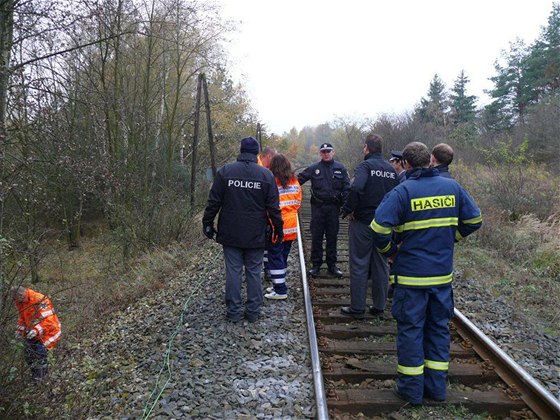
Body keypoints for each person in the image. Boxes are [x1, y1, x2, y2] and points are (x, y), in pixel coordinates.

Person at [370, 141, 482, 405]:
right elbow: (474, 220)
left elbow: (378, 228)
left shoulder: (403, 191)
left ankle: (411, 391)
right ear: (430, 161)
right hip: (441, 278)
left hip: (410, 279)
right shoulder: (452, 188)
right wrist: (450, 238)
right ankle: (437, 389)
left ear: (406, 164)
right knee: (438, 330)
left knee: (411, 331)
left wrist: (391, 252)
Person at [202, 137, 283, 323]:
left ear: (240, 150)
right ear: (256, 153)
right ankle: (253, 311)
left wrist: (207, 223)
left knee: (233, 271)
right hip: (255, 233)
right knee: (254, 271)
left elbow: (214, 201)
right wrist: (278, 229)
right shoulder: (266, 175)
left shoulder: (225, 172)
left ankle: (233, 312)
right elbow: (273, 207)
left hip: (230, 232)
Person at [340, 134, 399, 319]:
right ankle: (379, 306)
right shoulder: (391, 170)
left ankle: (358, 308)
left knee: (359, 263)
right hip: (384, 226)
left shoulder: (365, 166)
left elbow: (356, 187)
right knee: (381, 265)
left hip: (363, 223)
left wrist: (348, 209)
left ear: (366, 147)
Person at [298, 143, 350, 278]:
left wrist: (347, 205)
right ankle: (316, 265)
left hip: (333, 208)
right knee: (316, 236)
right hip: (318, 208)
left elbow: (346, 188)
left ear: (333, 152)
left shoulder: (341, 168)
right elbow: (298, 180)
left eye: (328, 151)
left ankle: (332, 266)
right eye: (323, 152)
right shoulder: (314, 168)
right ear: (320, 154)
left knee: (332, 237)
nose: (326, 154)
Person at [264, 154, 302, 300]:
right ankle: (278, 283)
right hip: (292, 224)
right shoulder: (294, 181)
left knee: (275, 256)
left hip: (278, 224)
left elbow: (269, 204)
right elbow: (298, 202)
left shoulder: (273, 182)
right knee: (283, 255)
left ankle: (280, 290)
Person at [13, 286, 62, 381]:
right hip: (34, 332)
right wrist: (19, 331)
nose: (14, 301)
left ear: (20, 294)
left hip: (50, 332)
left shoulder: (40, 299)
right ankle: (35, 375)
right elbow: (23, 318)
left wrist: (36, 330)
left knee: (40, 352)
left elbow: (49, 321)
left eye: (15, 298)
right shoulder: (21, 302)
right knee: (28, 353)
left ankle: (42, 378)